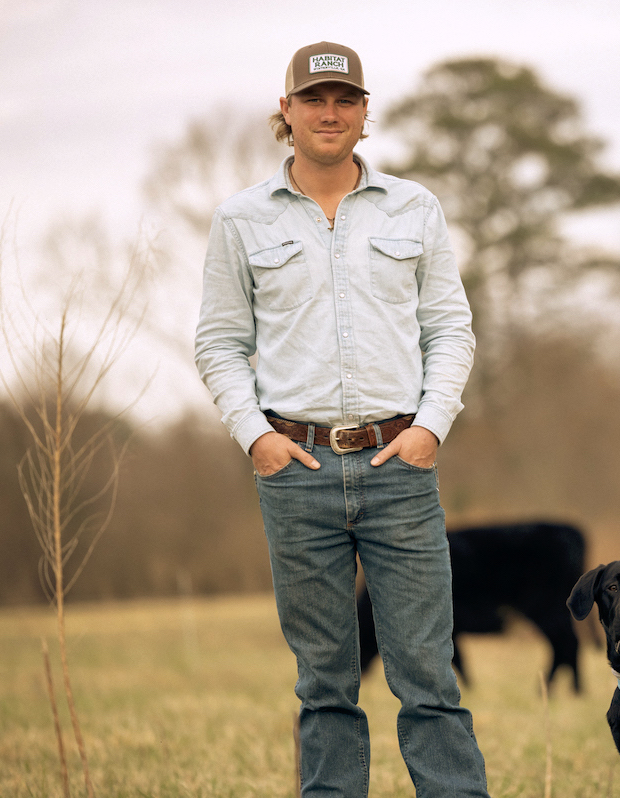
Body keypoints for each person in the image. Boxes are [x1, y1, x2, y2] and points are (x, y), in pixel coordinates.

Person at [195, 41, 490, 798]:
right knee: (324, 684)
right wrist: (256, 438)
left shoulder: (415, 208)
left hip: (402, 468)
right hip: (298, 474)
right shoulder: (240, 220)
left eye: (346, 100)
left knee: (429, 677)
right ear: (285, 112)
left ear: (364, 115)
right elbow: (221, 344)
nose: (331, 113)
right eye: (315, 100)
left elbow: (450, 331)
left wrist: (430, 429)